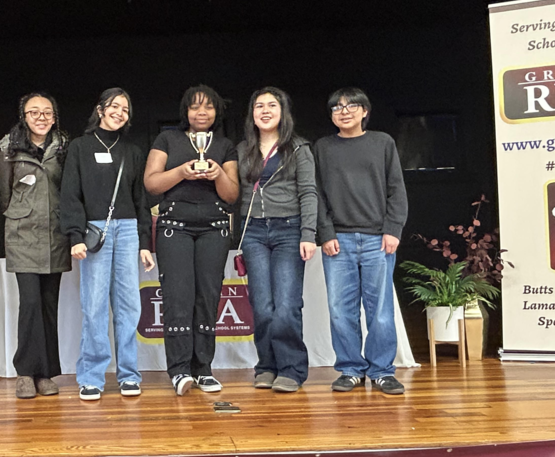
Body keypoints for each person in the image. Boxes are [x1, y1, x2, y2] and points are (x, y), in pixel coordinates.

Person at [144, 85, 240, 396]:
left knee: (208, 296)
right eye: (195, 107)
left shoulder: (225, 146)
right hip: (174, 227)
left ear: (217, 112)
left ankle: (204, 368)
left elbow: (232, 195)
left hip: (214, 228)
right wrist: (182, 172)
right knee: (177, 296)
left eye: (208, 107)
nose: (202, 113)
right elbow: (152, 183)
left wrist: (218, 176)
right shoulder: (167, 139)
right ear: (185, 111)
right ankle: (179, 369)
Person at [60, 88, 155, 401]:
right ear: (100, 109)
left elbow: (141, 200)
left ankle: (129, 375)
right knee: (95, 304)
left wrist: (144, 241)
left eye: (125, 109)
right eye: (114, 106)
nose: (120, 112)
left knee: (130, 305)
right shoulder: (80, 146)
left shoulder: (133, 150)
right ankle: (91, 376)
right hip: (94, 229)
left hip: (128, 229)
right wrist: (75, 236)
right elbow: (71, 194)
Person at [314, 87, 408, 395]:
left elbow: (396, 188)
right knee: (341, 310)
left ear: (365, 111)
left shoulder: (382, 143)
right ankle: (350, 369)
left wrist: (393, 229)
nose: (344, 111)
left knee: (380, 310)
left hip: (377, 239)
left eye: (351, 106)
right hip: (337, 240)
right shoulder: (323, 147)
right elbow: (316, 194)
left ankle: (382, 370)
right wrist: (325, 233)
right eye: (337, 107)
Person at [236, 87, 317, 393]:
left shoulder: (298, 148)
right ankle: (266, 366)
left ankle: (292, 369)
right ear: (252, 114)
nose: (265, 110)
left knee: (286, 306)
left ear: (283, 112)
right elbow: (237, 193)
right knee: (262, 306)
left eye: (272, 105)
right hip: (253, 232)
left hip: (289, 230)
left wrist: (308, 234)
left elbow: (309, 192)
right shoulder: (243, 149)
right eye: (259, 106)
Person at [0, 92, 70, 399]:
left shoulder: (65, 147)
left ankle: (46, 374)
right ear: (23, 116)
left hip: (56, 234)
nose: (41, 118)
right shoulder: (7, 148)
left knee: (49, 305)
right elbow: (4, 193)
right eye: (34, 112)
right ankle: (25, 372)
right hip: (23, 234)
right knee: (29, 304)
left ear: (54, 117)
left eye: (47, 113)